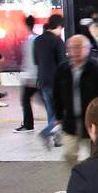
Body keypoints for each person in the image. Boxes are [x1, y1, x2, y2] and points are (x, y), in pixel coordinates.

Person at [54, 34, 98, 166]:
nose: (75, 51)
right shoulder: (62, 69)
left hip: (91, 120)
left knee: (95, 155)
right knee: (69, 154)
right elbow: (56, 94)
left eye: (79, 47)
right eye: (72, 47)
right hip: (70, 120)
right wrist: (58, 115)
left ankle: (94, 181)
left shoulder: (96, 69)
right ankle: (77, 180)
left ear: (88, 49)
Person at [34, 14, 66, 146]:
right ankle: (47, 132)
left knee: (51, 111)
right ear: (59, 26)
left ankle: (57, 139)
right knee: (60, 112)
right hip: (56, 81)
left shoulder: (38, 40)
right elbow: (63, 63)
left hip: (42, 80)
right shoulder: (57, 41)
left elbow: (36, 61)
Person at [15, 15, 39, 133]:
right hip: (36, 76)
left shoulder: (30, 41)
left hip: (32, 77)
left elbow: (31, 61)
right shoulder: (35, 39)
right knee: (45, 101)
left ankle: (28, 125)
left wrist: (30, 78)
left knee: (25, 100)